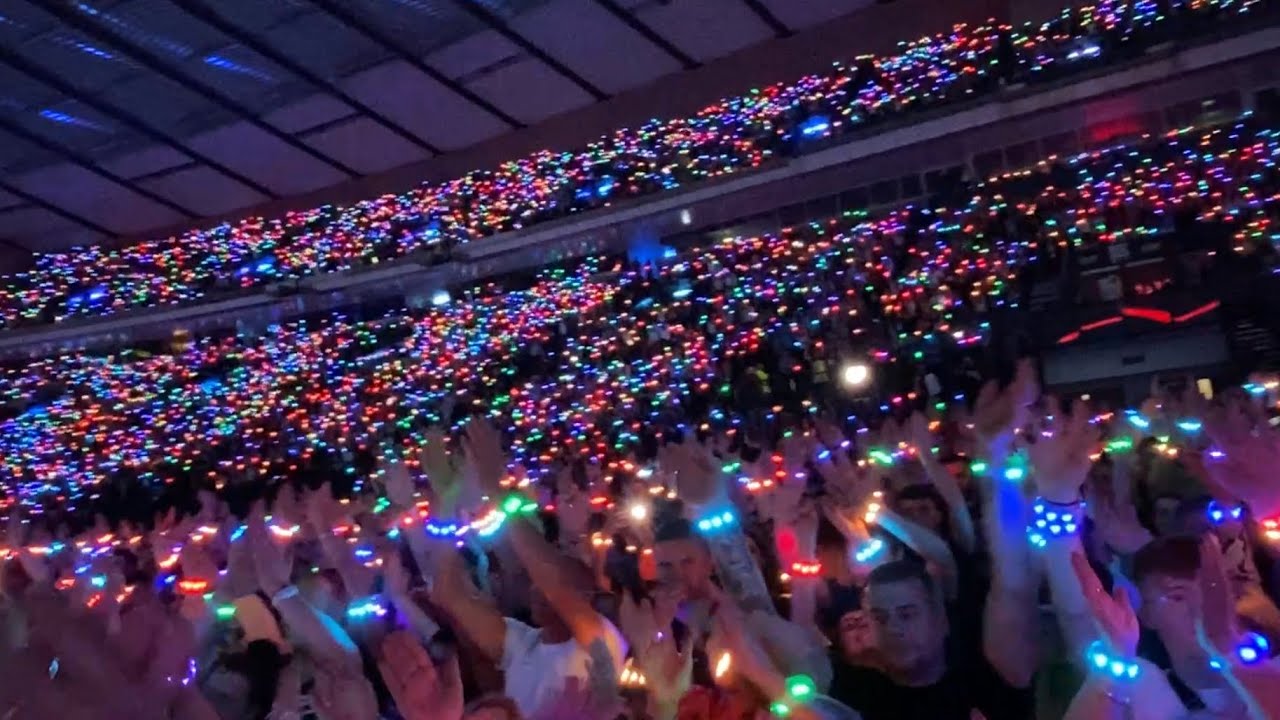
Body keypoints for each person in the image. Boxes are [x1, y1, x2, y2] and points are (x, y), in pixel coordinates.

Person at [828, 560, 1032, 720]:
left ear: (940, 620)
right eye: (880, 618)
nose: (893, 629)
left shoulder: (987, 685)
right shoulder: (852, 694)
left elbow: (1012, 587)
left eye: (907, 614)